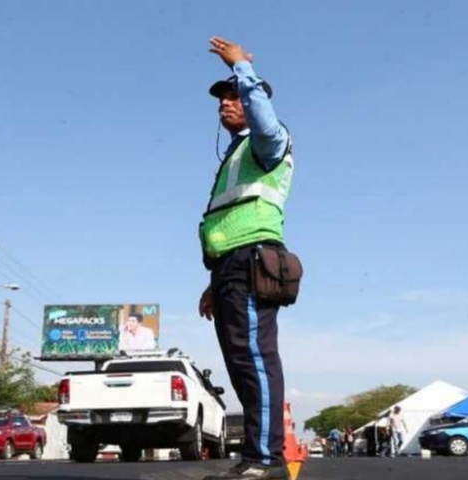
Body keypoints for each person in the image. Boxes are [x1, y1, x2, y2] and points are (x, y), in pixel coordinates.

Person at [198, 36, 295, 480]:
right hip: (228, 268)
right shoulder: (237, 154)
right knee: (241, 364)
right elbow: (228, 218)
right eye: (223, 98)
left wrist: (243, 70)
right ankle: (258, 453)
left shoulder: (268, 142)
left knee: (256, 359)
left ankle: (266, 458)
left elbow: (266, 123)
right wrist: (213, 282)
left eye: (234, 96)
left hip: (252, 261)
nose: (226, 103)